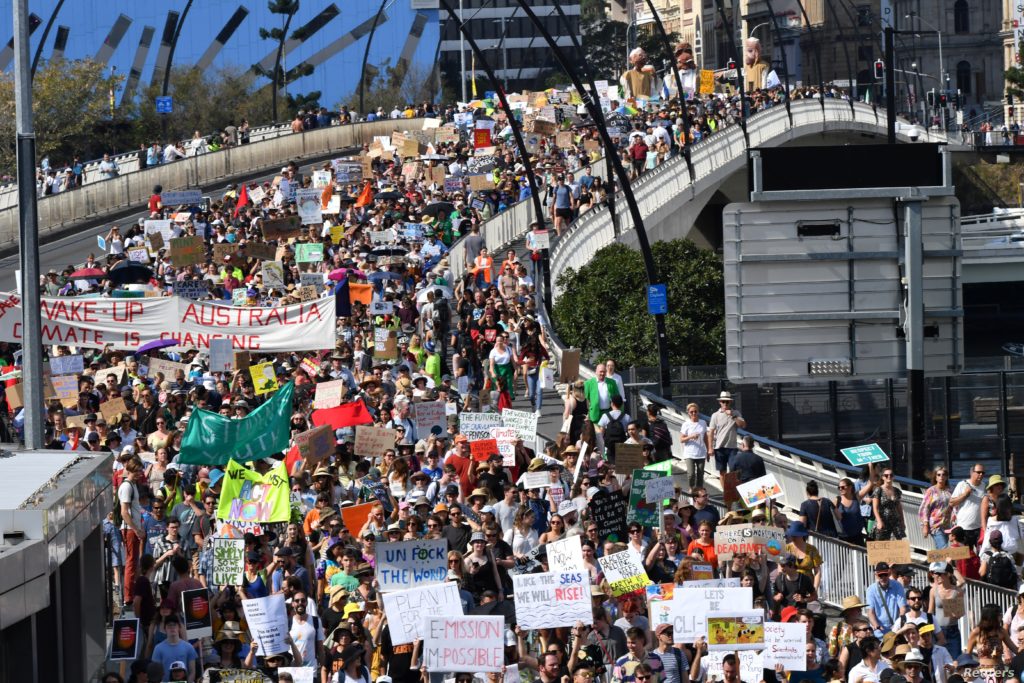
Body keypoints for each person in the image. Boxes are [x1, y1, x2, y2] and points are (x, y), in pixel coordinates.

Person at [707, 391, 746, 474]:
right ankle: (724, 487)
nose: (725, 403)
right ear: (720, 402)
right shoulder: (715, 415)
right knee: (722, 471)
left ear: (730, 402)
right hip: (719, 447)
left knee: (733, 470)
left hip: (732, 447)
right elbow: (711, 432)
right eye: (723, 401)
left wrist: (733, 415)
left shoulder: (736, 413)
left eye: (727, 401)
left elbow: (743, 425)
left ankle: (732, 487)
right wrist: (710, 448)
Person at [949, 463, 986, 548]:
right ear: (972, 473)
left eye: (983, 473)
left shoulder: (984, 486)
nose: (981, 474)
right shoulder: (962, 484)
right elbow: (951, 503)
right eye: (978, 472)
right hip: (964, 527)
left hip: (978, 527)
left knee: (977, 557)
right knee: (964, 555)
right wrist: (965, 494)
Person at [150, 615, 197, 681]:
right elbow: (156, 674)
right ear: (165, 629)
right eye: (169, 625)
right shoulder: (158, 649)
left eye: (174, 625)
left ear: (179, 627)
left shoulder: (189, 647)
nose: (172, 628)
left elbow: (192, 672)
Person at [866, 562, 907, 637]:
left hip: (896, 631)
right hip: (880, 633)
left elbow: (902, 608)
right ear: (876, 575)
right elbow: (870, 611)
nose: (883, 577)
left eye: (885, 574)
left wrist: (900, 624)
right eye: (880, 575)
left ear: (889, 573)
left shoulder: (897, 585)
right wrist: (876, 625)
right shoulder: (871, 590)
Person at [919, 467, 953, 549]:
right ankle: (941, 561)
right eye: (939, 475)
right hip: (935, 525)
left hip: (947, 525)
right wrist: (925, 525)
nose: (941, 476)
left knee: (940, 551)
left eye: (944, 474)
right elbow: (924, 508)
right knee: (943, 548)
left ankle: (935, 562)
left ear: (947, 477)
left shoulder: (949, 490)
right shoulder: (931, 491)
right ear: (935, 477)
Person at [679, 403, 710, 490]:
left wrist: (708, 450)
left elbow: (705, 437)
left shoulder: (703, 423)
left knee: (700, 474)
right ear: (688, 413)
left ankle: (699, 492)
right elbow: (681, 439)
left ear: (698, 412)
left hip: (700, 452)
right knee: (691, 474)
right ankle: (691, 488)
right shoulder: (686, 424)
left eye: (695, 412)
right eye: (691, 412)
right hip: (689, 453)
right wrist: (691, 436)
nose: (693, 414)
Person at [872, 467, 906, 540]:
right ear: (882, 477)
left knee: (897, 545)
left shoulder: (897, 491)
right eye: (886, 475)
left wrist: (902, 521)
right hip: (883, 521)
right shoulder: (879, 490)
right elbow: (875, 508)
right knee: (881, 546)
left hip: (895, 521)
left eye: (891, 475)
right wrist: (879, 521)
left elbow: (899, 507)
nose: (889, 476)